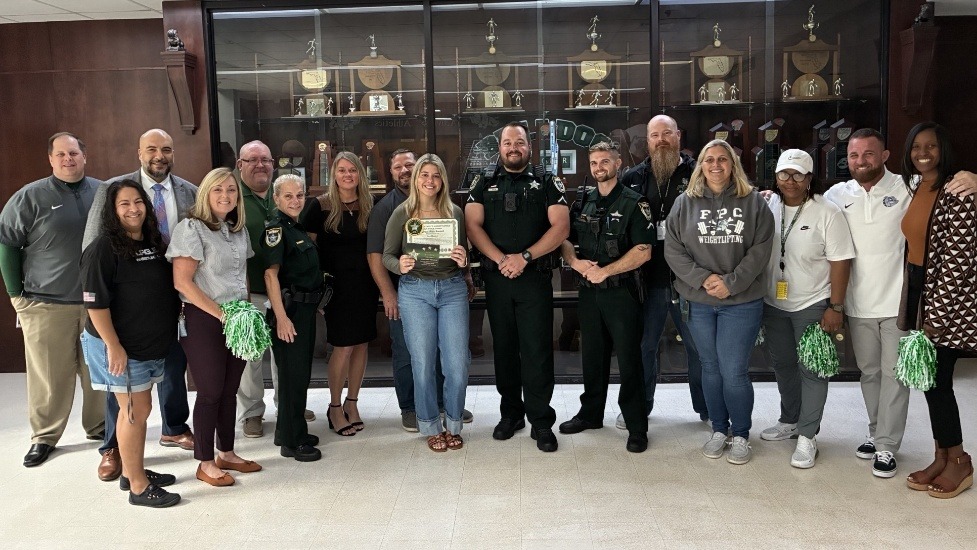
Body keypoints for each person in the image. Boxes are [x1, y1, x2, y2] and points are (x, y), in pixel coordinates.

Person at [82, 128, 197, 482]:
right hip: (122, 328)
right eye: (151, 149)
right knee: (129, 401)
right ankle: (116, 454)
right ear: (139, 152)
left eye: (166, 148)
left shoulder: (188, 192)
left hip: (165, 315)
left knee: (164, 379)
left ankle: (171, 430)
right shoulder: (112, 193)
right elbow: (93, 264)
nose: (159, 155)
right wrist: (112, 342)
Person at [664, 138, 774, 465]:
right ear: (700, 165)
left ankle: (740, 434)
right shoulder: (685, 203)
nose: (715, 165)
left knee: (734, 370)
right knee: (710, 368)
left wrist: (731, 283)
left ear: (733, 165)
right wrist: (702, 279)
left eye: (722, 160)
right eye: (708, 159)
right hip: (698, 301)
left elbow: (761, 248)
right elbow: (673, 249)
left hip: (741, 302)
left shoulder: (753, 202)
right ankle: (718, 428)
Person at [0, 132, 105, 468]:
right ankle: (44, 436)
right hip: (46, 303)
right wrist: (17, 296)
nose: (67, 159)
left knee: (97, 370)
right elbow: (7, 247)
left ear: (84, 155)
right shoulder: (29, 197)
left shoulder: (104, 192)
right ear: (50, 159)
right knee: (48, 374)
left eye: (73, 153)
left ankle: (100, 426)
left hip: (96, 303)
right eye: (60, 154)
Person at [466, 122, 569, 453]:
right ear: (500, 148)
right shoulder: (483, 182)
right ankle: (511, 415)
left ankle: (541, 420)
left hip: (534, 279)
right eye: (507, 142)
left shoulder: (546, 182)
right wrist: (501, 260)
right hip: (498, 280)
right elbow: (472, 225)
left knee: (537, 350)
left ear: (529, 147)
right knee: (505, 349)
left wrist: (524, 257)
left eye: (520, 142)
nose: (513, 147)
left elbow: (561, 227)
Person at [80, 180, 181, 507]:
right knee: (133, 412)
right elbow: (95, 304)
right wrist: (114, 346)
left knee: (141, 408)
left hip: (150, 343)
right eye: (124, 204)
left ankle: (132, 471)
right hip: (120, 345)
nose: (133, 209)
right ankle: (138, 487)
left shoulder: (153, 241)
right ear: (112, 210)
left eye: (138, 202)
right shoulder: (103, 248)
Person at [757, 150, 854, 469]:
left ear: (810, 179)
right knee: (783, 364)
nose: (790, 181)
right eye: (785, 174)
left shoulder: (827, 211)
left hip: (812, 304)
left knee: (813, 368)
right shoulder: (767, 204)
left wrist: (835, 307)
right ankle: (790, 421)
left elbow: (840, 261)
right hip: (774, 302)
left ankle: (808, 435)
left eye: (798, 175)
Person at [167, 167, 262, 486]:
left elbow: (243, 275)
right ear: (205, 193)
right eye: (218, 190)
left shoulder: (238, 229)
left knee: (230, 389)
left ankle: (227, 453)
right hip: (204, 317)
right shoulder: (190, 228)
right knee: (209, 391)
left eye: (232, 190)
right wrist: (222, 315)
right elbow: (183, 281)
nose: (226, 196)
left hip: (238, 317)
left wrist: (246, 309)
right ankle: (204, 462)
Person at [367, 149, 473, 431]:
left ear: (443, 180)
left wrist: (465, 261)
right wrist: (399, 264)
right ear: (415, 179)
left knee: (457, 364)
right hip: (415, 291)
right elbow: (386, 256)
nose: (430, 180)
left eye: (436, 175)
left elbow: (463, 256)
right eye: (424, 175)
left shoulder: (455, 213)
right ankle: (428, 425)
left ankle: (453, 423)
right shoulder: (401, 213)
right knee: (423, 362)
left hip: (451, 290)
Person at [897, 123, 977, 498]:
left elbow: (957, 264)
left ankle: (959, 461)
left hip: (944, 299)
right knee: (930, 382)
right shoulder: (918, 186)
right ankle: (942, 454)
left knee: (939, 382)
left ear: (943, 148)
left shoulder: (958, 191)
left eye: (930, 146)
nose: (922, 152)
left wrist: (935, 321)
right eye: (916, 146)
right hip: (919, 291)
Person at [558, 142, 653, 453]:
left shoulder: (634, 202)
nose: (599, 167)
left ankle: (636, 426)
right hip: (589, 293)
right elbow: (565, 240)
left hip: (621, 293)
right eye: (594, 162)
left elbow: (644, 251)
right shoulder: (582, 201)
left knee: (629, 361)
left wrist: (607, 271)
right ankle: (591, 414)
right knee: (592, 358)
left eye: (605, 161)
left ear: (618, 163)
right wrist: (574, 262)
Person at [622, 114, 707, 430]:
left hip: (690, 281)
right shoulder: (632, 178)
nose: (661, 140)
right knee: (645, 346)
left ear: (678, 136)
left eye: (667, 133)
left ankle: (707, 407)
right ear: (647, 141)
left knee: (699, 349)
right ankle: (640, 407)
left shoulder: (700, 175)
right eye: (655, 135)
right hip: (648, 280)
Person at [236, 140, 311, 439]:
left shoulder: (284, 195)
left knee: (285, 353)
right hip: (251, 290)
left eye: (265, 159)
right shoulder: (233, 197)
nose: (260, 165)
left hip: (286, 291)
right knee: (251, 356)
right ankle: (252, 413)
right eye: (252, 160)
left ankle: (287, 405)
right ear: (240, 164)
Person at [304, 152, 378, 436]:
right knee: (343, 346)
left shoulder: (372, 205)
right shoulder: (319, 206)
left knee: (361, 344)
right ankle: (334, 406)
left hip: (365, 286)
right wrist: (317, 289)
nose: (348, 175)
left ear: (361, 174)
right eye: (342, 171)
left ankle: (352, 402)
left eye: (353, 171)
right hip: (336, 290)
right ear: (333, 175)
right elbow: (308, 254)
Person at [262, 174, 323, 462]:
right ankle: (292, 441)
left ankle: (290, 429)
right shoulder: (276, 229)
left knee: (299, 375)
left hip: (305, 310)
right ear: (276, 199)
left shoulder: (295, 227)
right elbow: (270, 275)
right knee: (291, 376)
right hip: (291, 312)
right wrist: (282, 317)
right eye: (288, 196)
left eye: (299, 195)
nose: (295, 201)